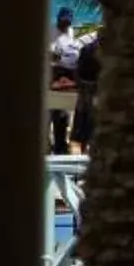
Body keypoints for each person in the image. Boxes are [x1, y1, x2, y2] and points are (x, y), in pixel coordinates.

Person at [48, 9, 81, 156]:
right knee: (52, 114)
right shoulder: (50, 32)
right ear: (58, 19)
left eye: (68, 22)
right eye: (63, 22)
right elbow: (50, 57)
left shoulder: (71, 31)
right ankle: (51, 146)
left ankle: (60, 146)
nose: (65, 25)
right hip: (54, 74)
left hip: (67, 75)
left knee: (63, 115)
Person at [72, 33, 102, 152]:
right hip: (89, 88)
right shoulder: (89, 49)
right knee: (86, 120)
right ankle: (85, 147)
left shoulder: (89, 49)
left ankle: (87, 147)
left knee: (87, 120)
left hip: (90, 88)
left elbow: (77, 70)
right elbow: (77, 70)